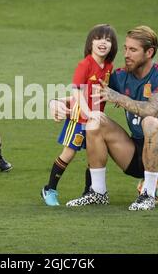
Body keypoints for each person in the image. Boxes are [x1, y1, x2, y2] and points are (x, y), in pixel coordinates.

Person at [52, 26, 158, 211]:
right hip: (133, 152)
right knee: (95, 121)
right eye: (125, 48)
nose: (126, 54)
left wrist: (116, 97)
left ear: (149, 52)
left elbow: (151, 110)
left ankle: (147, 194)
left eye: (133, 50)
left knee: (150, 122)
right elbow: (88, 94)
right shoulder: (121, 76)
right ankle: (98, 192)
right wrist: (56, 102)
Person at [41, 24, 118, 206]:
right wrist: (88, 112)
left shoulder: (108, 67)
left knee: (94, 156)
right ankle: (49, 189)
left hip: (95, 122)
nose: (103, 43)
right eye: (99, 38)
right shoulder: (84, 65)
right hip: (79, 118)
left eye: (108, 40)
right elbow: (76, 92)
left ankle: (89, 192)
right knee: (69, 153)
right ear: (90, 42)